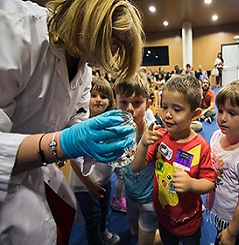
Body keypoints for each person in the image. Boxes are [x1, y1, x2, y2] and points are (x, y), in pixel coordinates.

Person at [0, 0, 144, 243]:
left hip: (37, 176)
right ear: (91, 22)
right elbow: (65, 138)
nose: (114, 55)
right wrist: (63, 142)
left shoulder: (84, 67)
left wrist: (94, 137)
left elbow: (74, 120)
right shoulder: (14, 28)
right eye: (114, 43)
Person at [130, 74, 216, 244]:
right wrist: (143, 145)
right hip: (163, 217)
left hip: (188, 221)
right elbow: (135, 167)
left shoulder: (201, 147)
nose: (168, 115)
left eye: (177, 109)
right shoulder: (160, 136)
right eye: (164, 107)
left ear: (195, 114)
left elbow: (209, 182)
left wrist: (192, 184)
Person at [206, 81, 239, 245]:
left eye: (232, 113)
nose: (223, 118)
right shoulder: (216, 136)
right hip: (217, 206)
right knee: (218, 235)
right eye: (220, 111)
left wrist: (231, 233)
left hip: (233, 219)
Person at [69, 77, 120, 245]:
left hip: (104, 179)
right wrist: (89, 185)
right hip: (85, 185)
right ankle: (95, 240)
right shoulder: (79, 124)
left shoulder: (110, 122)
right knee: (93, 218)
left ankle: (103, 232)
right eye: (94, 94)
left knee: (104, 210)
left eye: (104, 96)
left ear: (110, 101)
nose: (98, 99)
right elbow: (74, 161)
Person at [112, 73, 160, 245]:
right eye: (124, 102)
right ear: (116, 102)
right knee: (133, 231)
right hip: (130, 195)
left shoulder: (153, 135)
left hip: (148, 201)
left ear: (148, 104)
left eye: (137, 103)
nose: (130, 109)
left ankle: (167, 235)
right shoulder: (119, 132)